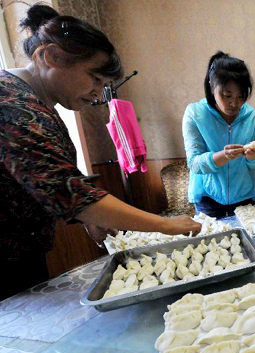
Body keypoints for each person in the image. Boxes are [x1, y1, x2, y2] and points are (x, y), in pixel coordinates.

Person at [0, 5, 201, 299]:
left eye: (105, 85)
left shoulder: (42, 107)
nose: (98, 93)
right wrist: (165, 224)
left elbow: (56, 179)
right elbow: (71, 193)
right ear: (50, 57)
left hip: (24, 256)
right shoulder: (11, 105)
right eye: (95, 79)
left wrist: (92, 217)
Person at [183, 51, 255, 218]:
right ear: (212, 85)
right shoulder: (195, 114)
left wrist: (254, 156)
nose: (234, 103)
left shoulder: (252, 116)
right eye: (227, 95)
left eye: (241, 96)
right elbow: (194, 164)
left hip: (246, 197)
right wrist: (223, 156)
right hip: (209, 200)